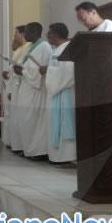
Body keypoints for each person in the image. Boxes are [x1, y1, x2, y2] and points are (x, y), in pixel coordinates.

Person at [75, 1, 112, 172]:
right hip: (93, 83)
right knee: (98, 124)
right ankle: (101, 164)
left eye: (83, 18)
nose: (83, 22)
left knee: (111, 122)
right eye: (80, 20)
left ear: (93, 12)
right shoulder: (91, 33)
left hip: (107, 80)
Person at [13, 22, 52, 159]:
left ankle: (38, 151)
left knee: (34, 121)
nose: (25, 34)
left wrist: (22, 70)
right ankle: (28, 149)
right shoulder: (32, 47)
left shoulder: (44, 47)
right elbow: (29, 66)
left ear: (36, 32)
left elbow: (41, 71)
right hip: (27, 86)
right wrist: (20, 70)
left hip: (36, 89)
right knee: (25, 120)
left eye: (27, 32)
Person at [42, 23, 76, 164]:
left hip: (64, 95)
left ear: (55, 35)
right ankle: (56, 156)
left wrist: (47, 71)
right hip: (56, 93)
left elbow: (69, 73)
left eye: (49, 34)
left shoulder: (67, 49)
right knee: (55, 124)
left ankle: (66, 158)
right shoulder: (56, 49)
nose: (47, 36)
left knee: (64, 124)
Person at [2, 26, 31, 148]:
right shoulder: (19, 49)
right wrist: (7, 74)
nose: (14, 37)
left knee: (18, 117)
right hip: (12, 84)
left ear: (22, 34)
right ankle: (12, 142)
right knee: (11, 116)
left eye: (15, 35)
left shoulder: (28, 48)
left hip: (20, 87)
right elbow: (14, 68)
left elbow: (23, 69)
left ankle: (19, 145)